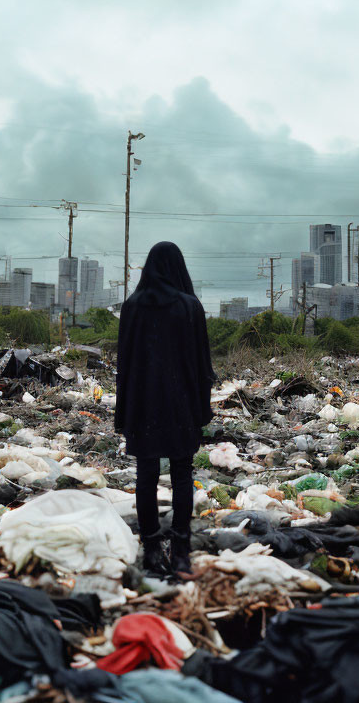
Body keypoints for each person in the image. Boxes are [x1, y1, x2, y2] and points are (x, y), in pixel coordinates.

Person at [115, 242, 216, 576]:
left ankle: (152, 550)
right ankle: (182, 551)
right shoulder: (190, 307)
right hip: (180, 403)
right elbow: (203, 365)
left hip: (143, 404)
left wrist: (124, 413)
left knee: (146, 474)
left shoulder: (131, 307)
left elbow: (125, 365)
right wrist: (203, 409)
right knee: (182, 473)